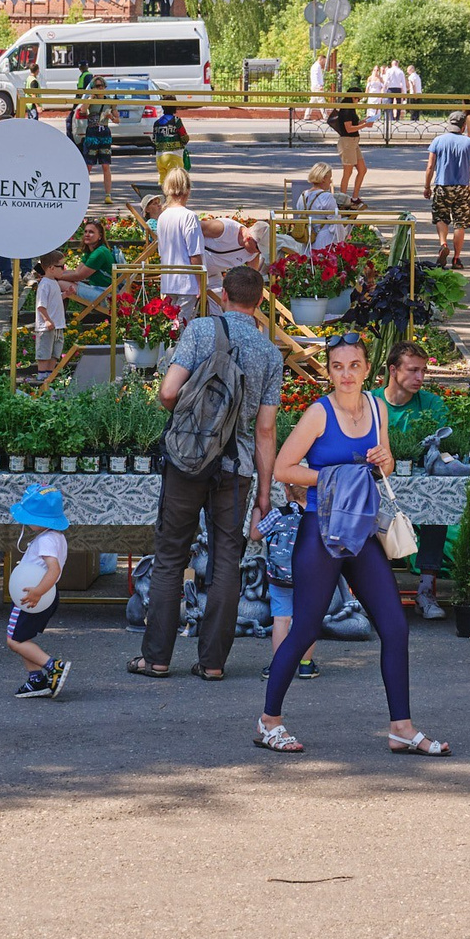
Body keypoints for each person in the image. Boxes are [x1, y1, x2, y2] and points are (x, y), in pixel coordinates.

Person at [257, 332, 446, 756]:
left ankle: (401, 727)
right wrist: (335, 477)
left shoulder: (377, 407)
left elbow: (386, 463)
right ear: (329, 371)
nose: (345, 374)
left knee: (395, 627)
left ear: (366, 369)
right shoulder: (318, 414)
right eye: (337, 366)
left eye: (354, 366)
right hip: (320, 529)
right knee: (305, 626)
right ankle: (269, 721)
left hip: (360, 529)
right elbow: (285, 468)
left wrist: (386, 461)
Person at [133, 265, 282, 682]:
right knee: (226, 561)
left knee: (170, 556)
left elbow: (167, 392)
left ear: (222, 295)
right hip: (238, 470)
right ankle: (213, 663)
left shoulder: (201, 330)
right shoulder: (270, 353)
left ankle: (157, 658)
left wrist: (189, 418)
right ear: (260, 301)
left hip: (187, 461)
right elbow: (266, 429)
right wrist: (265, 494)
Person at [373, 341, 449, 614]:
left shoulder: (432, 404)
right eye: (413, 370)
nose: (420, 378)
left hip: (421, 482)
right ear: (393, 370)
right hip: (379, 482)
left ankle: (426, 590)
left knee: (439, 504)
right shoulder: (371, 402)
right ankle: (379, 589)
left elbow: (443, 447)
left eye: (423, 371)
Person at [425, 111, 470, 271]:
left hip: (442, 186)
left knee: (441, 218)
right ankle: (456, 258)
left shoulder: (438, 141)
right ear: (463, 126)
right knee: (460, 223)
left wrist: (426, 186)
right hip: (462, 188)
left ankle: (443, 244)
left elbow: (430, 166)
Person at [155, 166, 207, 316]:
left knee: (171, 327)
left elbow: (161, 251)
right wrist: (201, 284)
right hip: (187, 282)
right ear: (188, 189)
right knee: (183, 327)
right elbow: (195, 255)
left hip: (169, 281)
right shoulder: (189, 216)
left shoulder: (163, 217)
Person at [328, 94, 370, 206]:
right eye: (357, 98)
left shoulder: (350, 108)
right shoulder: (346, 109)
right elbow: (349, 128)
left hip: (354, 142)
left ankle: (354, 197)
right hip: (347, 142)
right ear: (352, 97)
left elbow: (354, 124)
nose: (358, 101)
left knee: (362, 169)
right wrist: (364, 125)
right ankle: (342, 199)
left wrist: (364, 122)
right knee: (348, 172)